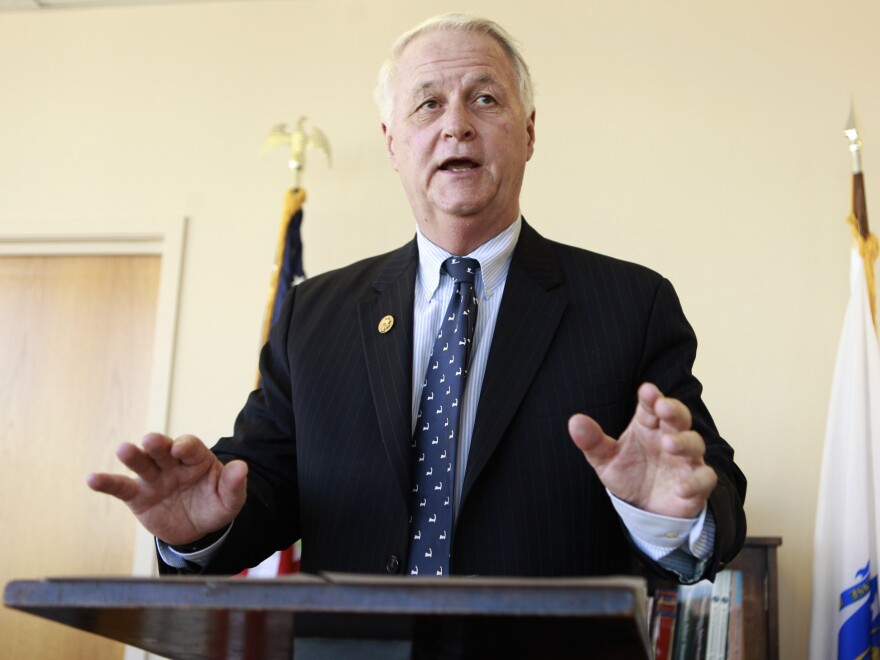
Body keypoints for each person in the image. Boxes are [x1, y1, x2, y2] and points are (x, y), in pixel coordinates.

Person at [88, 14, 746, 585]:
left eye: (485, 99)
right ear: (392, 143)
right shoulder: (314, 316)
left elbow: (713, 491)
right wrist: (196, 530)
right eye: (427, 105)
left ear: (529, 131)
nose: (456, 125)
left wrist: (667, 514)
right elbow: (259, 486)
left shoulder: (630, 305)